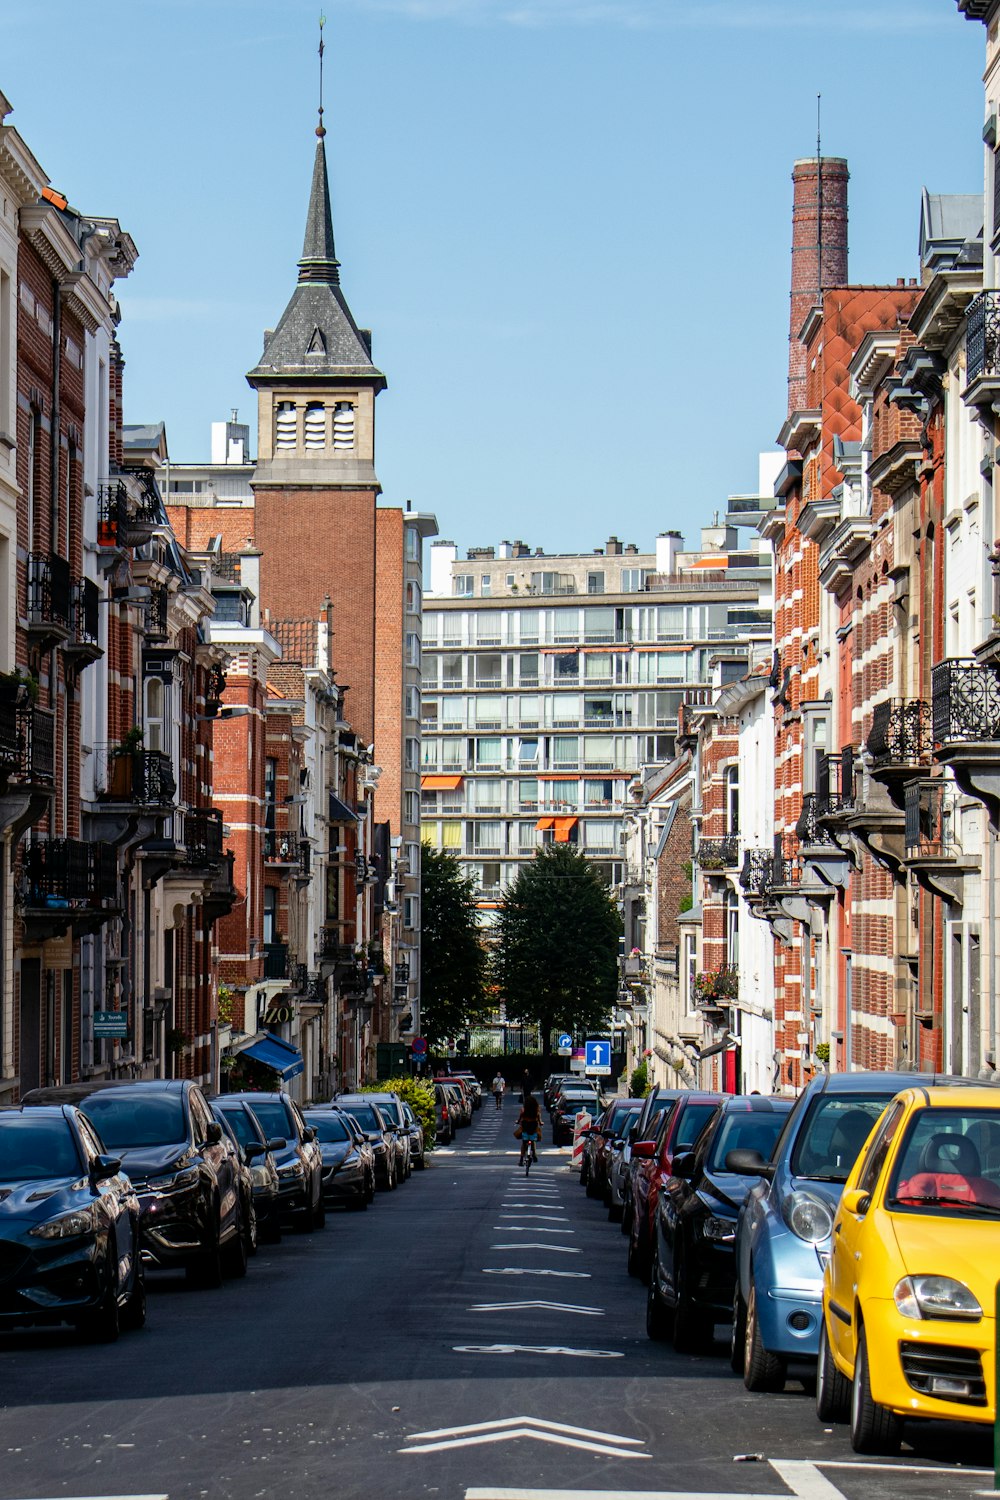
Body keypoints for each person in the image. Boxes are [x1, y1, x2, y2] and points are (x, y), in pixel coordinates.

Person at [517, 1090, 542, 1166]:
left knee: (524, 1143)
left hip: (525, 1128)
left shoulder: (523, 1110)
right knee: (533, 1141)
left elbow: (520, 1118)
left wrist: (518, 1121)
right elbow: (539, 1118)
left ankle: (521, 1159)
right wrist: (540, 1123)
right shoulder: (536, 1110)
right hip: (533, 1127)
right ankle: (534, 1154)